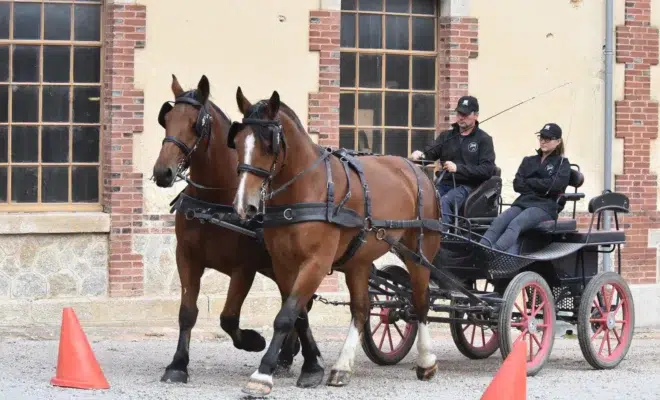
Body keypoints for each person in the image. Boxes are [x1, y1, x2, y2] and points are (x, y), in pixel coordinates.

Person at [479, 122, 571, 252]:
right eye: (541, 137)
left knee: (516, 223)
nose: (543, 141)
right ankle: (480, 249)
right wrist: (540, 186)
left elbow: (553, 187)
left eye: (548, 138)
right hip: (524, 202)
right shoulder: (529, 161)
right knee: (499, 220)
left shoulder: (562, 163)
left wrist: (529, 182)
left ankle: (494, 252)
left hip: (545, 206)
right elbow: (517, 184)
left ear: (558, 141)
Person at [410, 95, 496, 227]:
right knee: (423, 197)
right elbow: (431, 153)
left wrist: (458, 168)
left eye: (465, 114)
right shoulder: (447, 136)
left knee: (445, 201)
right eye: (459, 113)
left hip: (470, 187)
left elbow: (487, 170)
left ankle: (444, 236)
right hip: (445, 183)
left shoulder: (484, 140)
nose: (461, 117)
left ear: (476, 115)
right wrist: (420, 156)